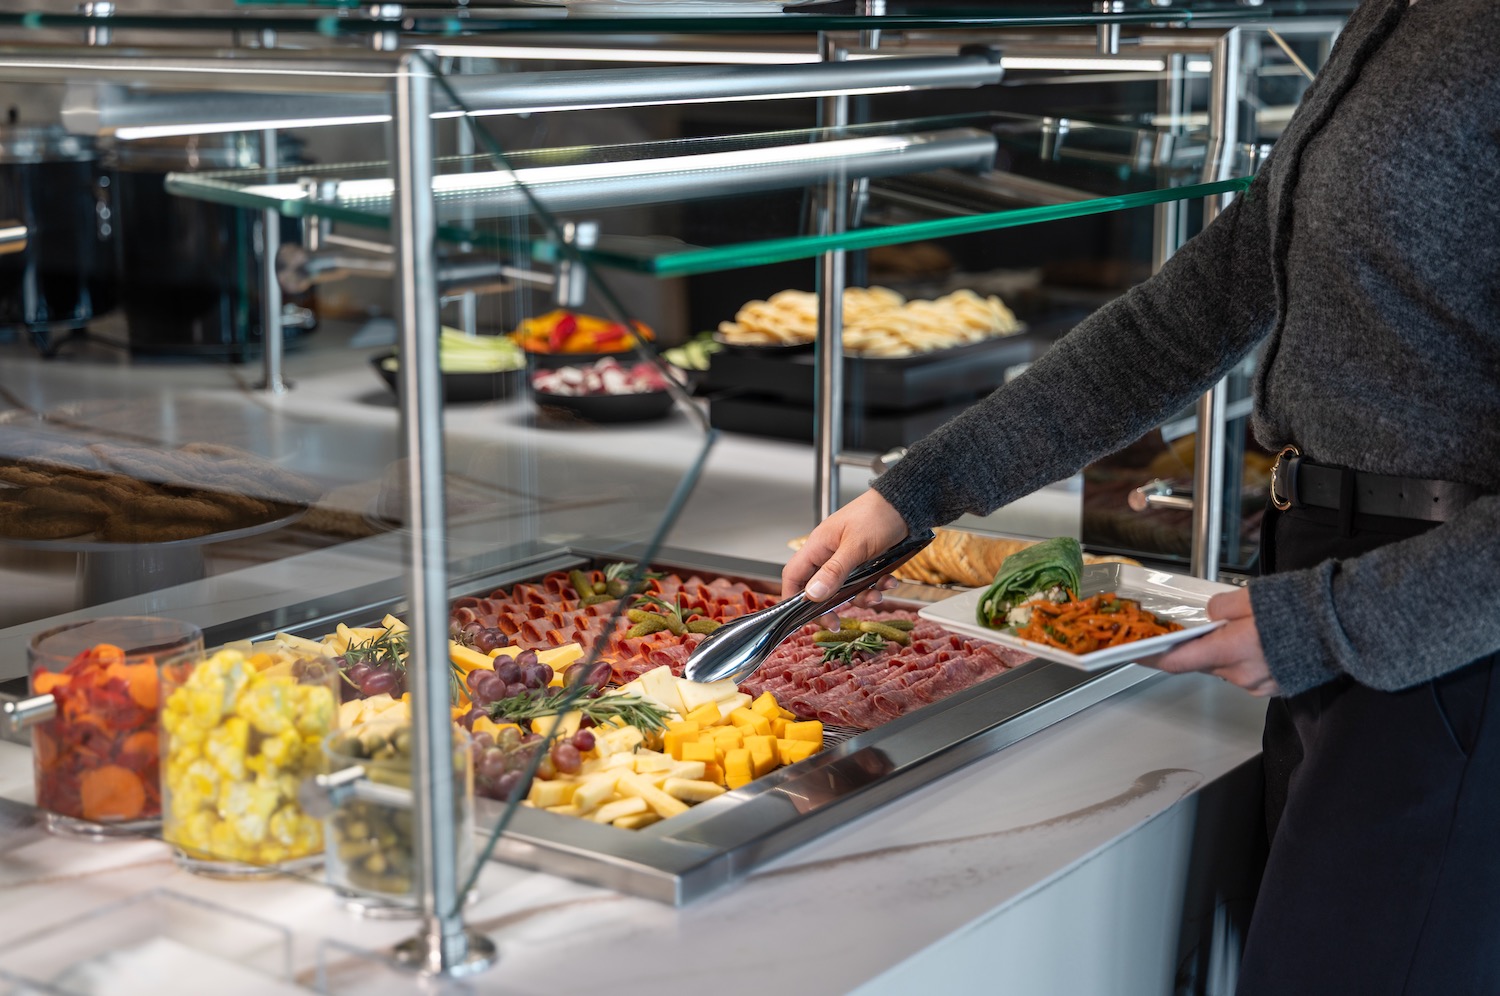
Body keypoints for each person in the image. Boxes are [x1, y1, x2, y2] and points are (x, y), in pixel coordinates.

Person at [781, 0, 1500, 991]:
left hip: (1445, 645)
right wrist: (918, 493)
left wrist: (1325, 625)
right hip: (1337, 603)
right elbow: (1181, 322)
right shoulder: (1397, 16)